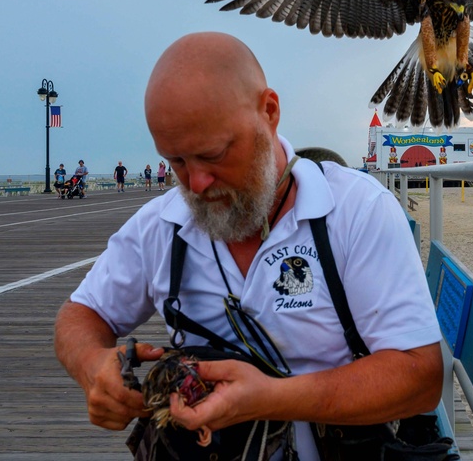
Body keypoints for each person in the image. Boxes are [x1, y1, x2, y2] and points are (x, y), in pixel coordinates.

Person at [54, 32, 442, 460]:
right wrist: (93, 366)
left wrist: (271, 398)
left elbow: (420, 377)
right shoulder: (162, 225)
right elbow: (80, 314)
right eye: (177, 162)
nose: (196, 183)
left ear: (269, 112)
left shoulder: (356, 211)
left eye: (215, 154)